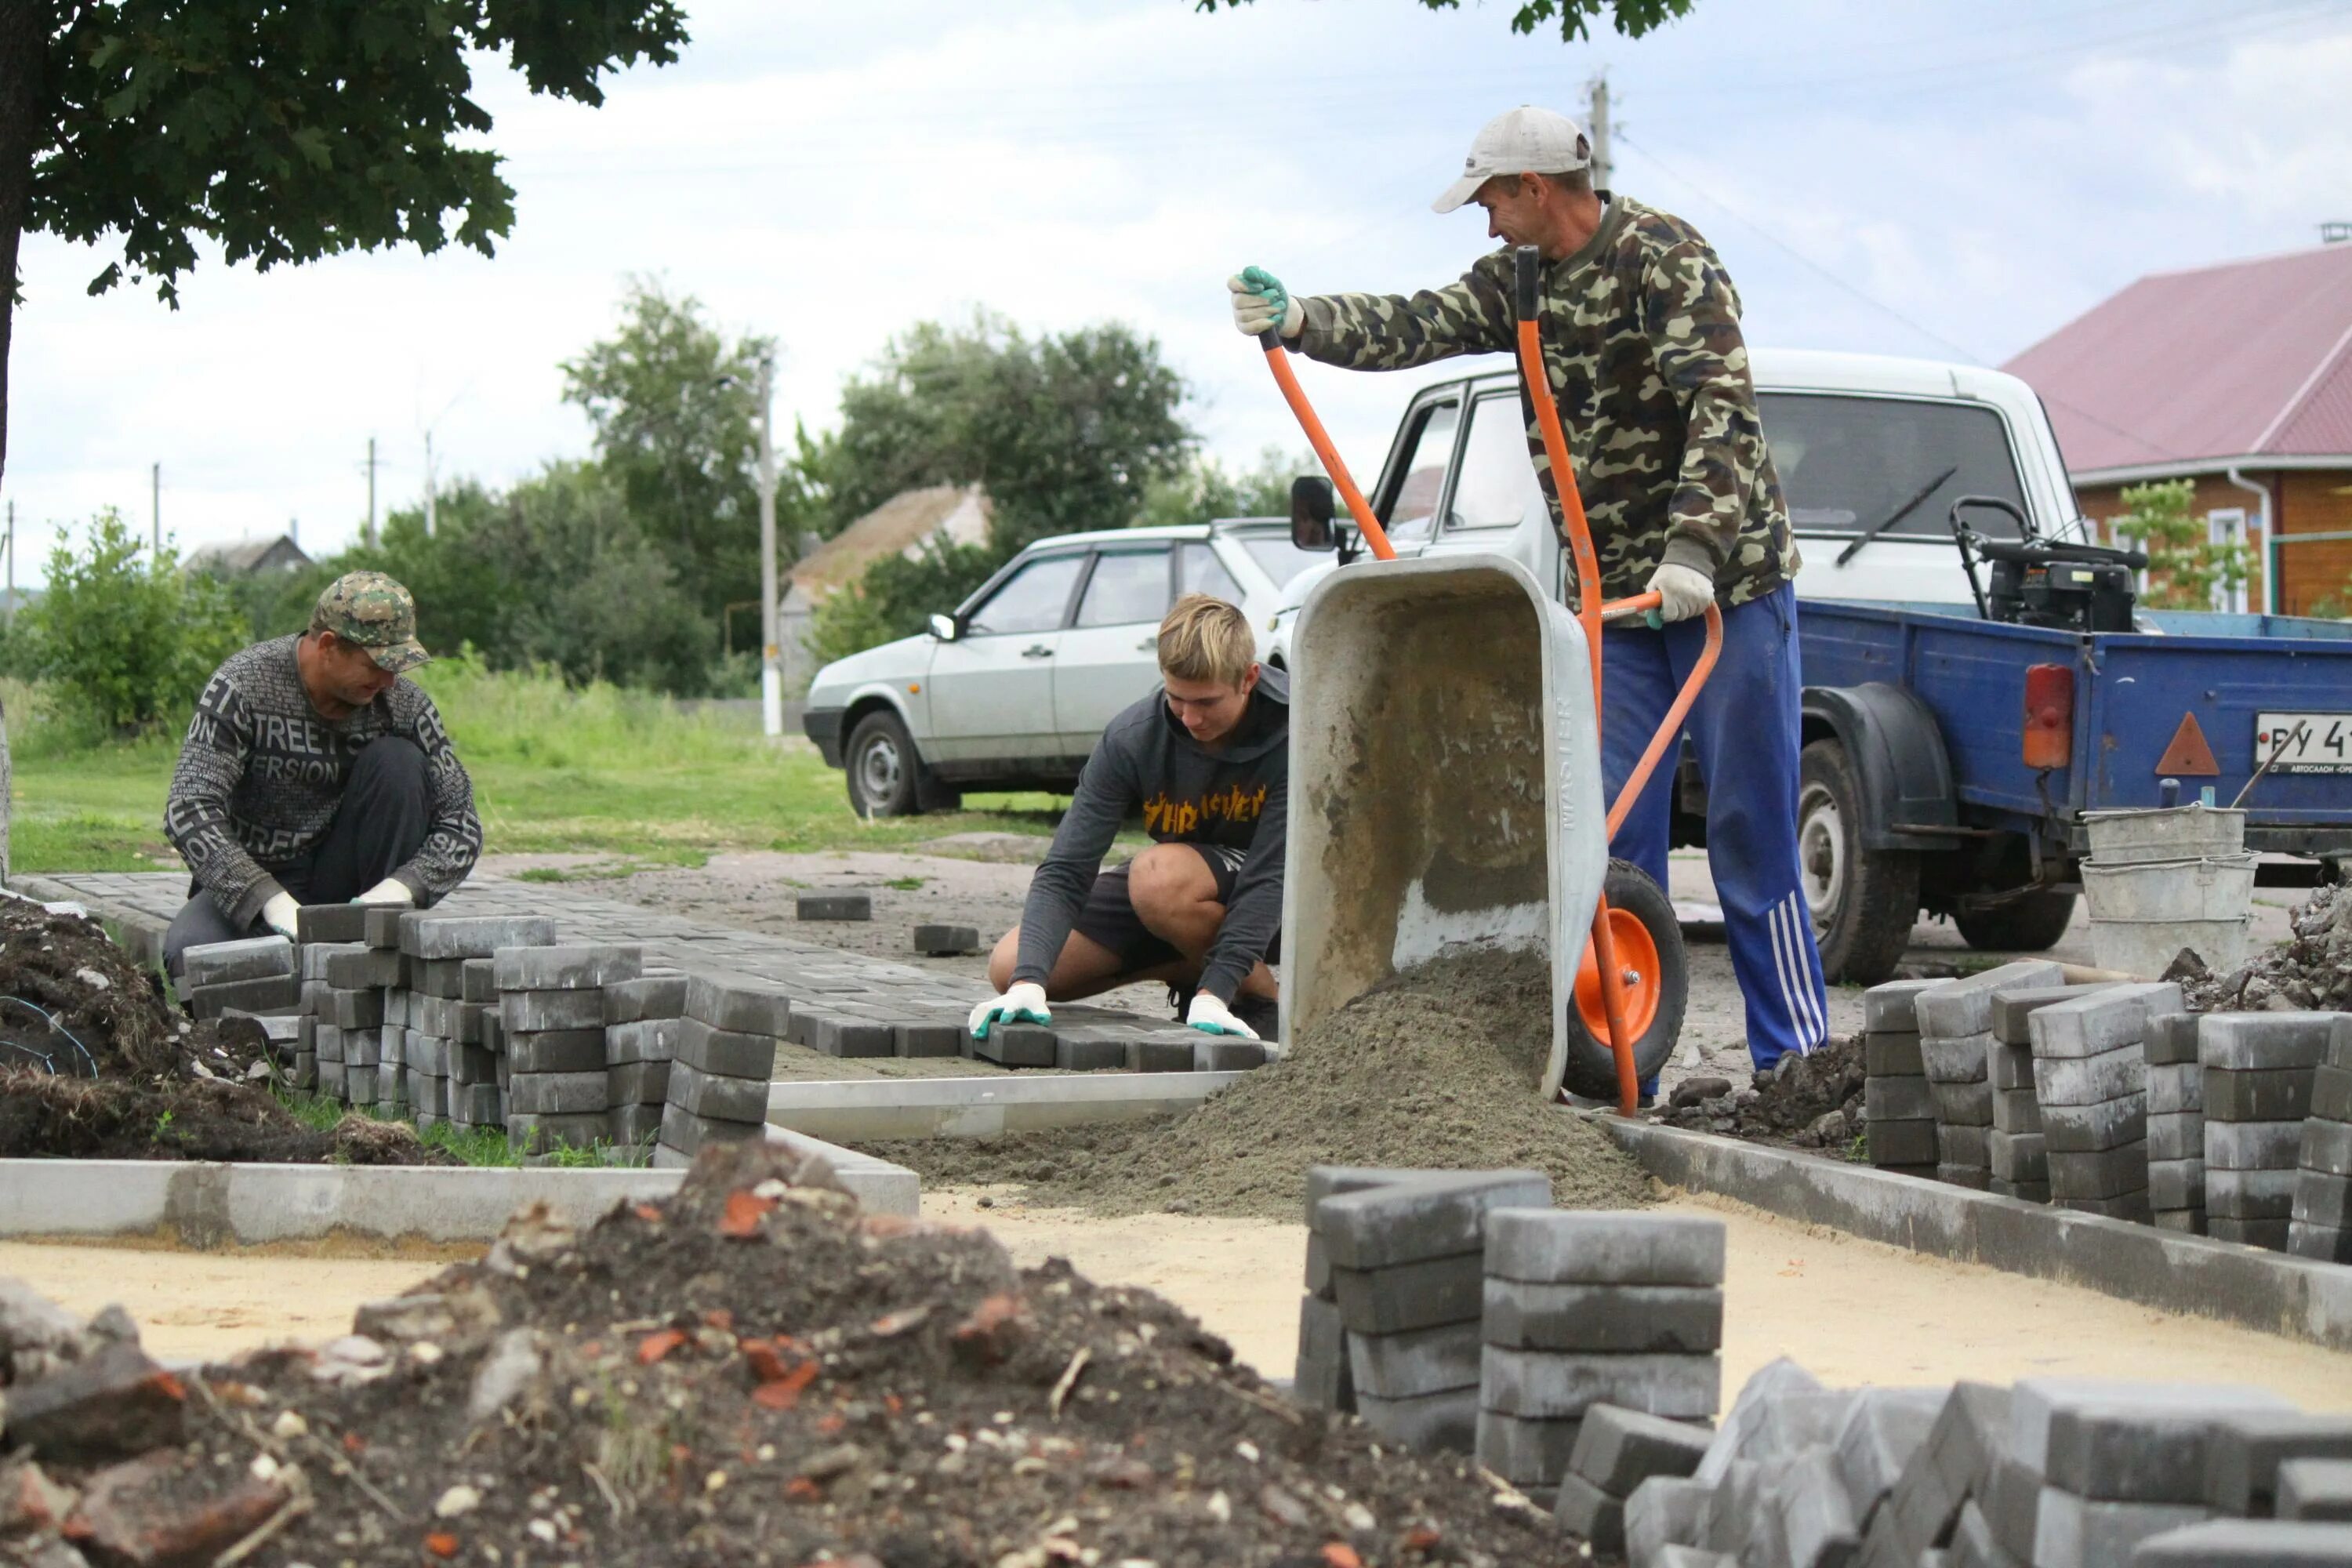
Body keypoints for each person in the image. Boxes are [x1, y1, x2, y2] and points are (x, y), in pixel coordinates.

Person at [1226, 104, 1830, 1078]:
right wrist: (1302, 320)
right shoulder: (1518, 280)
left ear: (1537, 189)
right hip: (1615, 599)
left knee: (1748, 826)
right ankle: (1610, 1055)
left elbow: (1724, 407)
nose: (1487, 221)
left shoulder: (1664, 258)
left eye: (1493, 200)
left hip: (1726, 587)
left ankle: (1796, 1060)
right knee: (1600, 835)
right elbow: (1417, 322)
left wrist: (1695, 551)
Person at [970, 594, 1285, 1043]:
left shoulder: (1298, 727)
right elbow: (1066, 867)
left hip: (1287, 898)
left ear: (1248, 679)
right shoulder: (1133, 737)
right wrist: (1027, 984)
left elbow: (1270, 875)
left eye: (1207, 702)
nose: (1191, 718)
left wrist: (1218, 990)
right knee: (1012, 964)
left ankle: (1259, 996)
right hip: (1191, 892)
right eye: (1177, 698)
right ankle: (1187, 961)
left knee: (1158, 876)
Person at [161, 571, 483, 976]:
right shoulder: (242, 685)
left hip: (348, 883)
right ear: (329, 646)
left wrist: (397, 891)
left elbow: (462, 825)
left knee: (399, 762)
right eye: (376, 665)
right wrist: (271, 903)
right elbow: (188, 809)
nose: (388, 681)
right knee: (190, 958)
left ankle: (376, 952)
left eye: (398, 667)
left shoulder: (404, 706)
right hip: (256, 877)